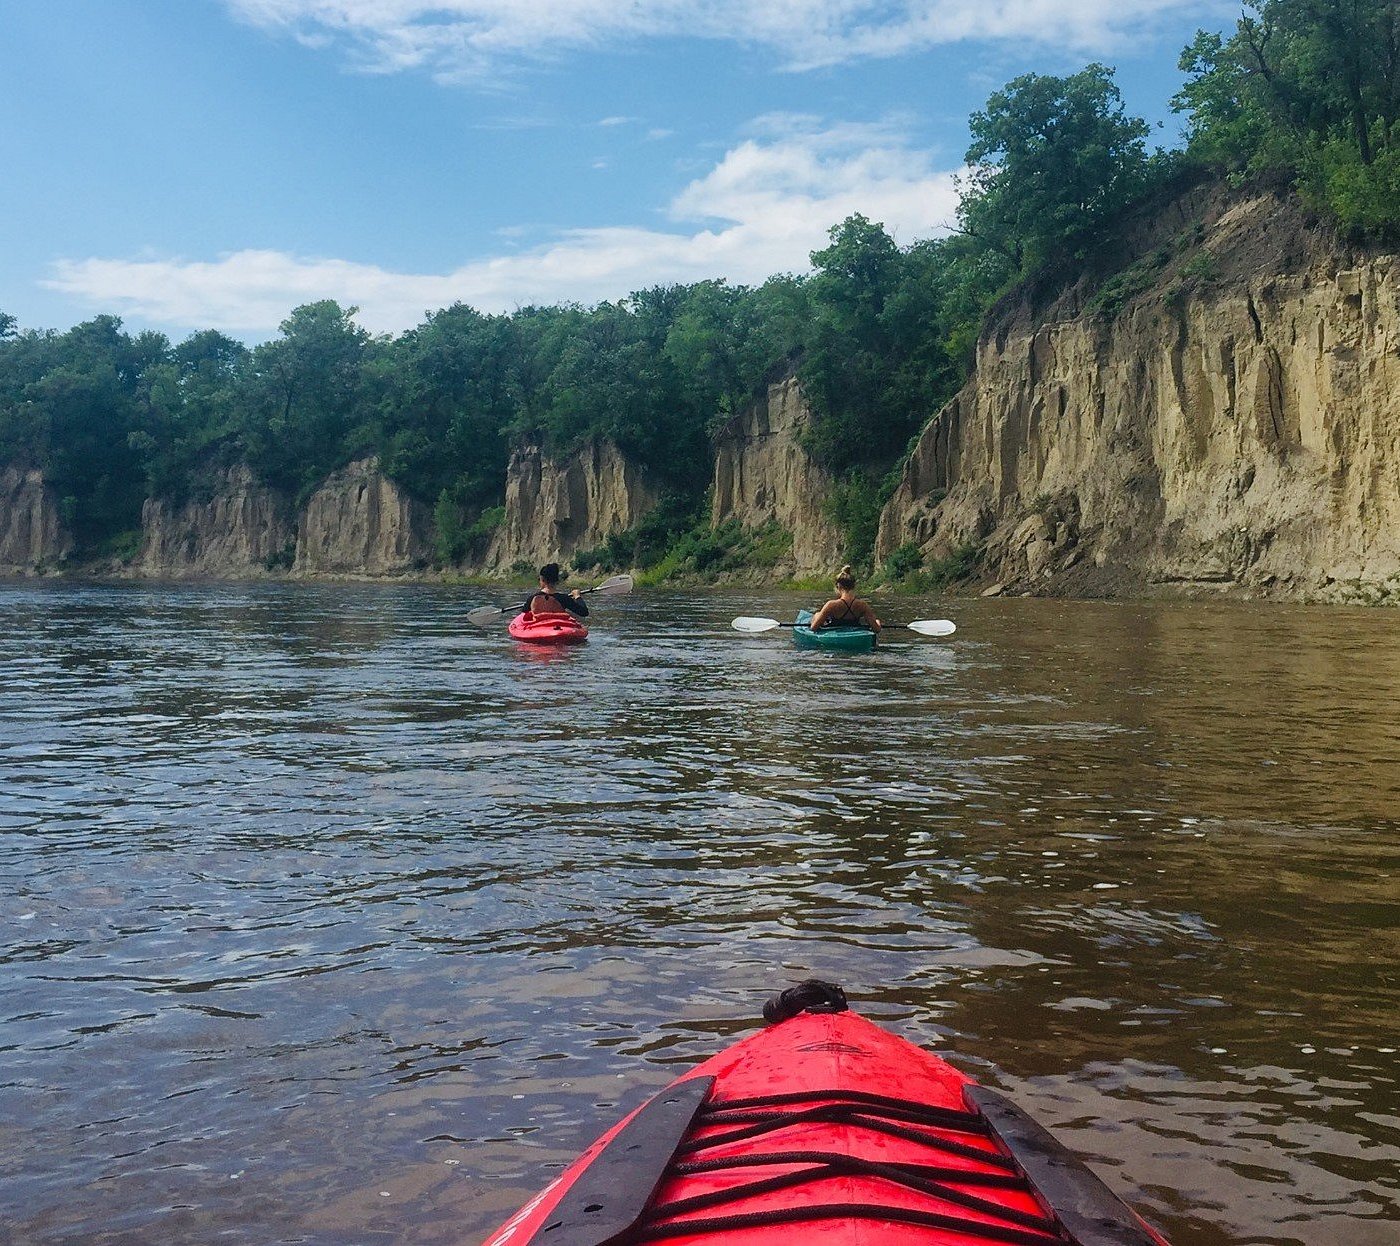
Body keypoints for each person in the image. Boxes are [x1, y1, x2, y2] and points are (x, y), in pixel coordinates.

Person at [807, 565, 880, 635]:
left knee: (817, 614)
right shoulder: (862, 605)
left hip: (835, 636)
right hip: (854, 635)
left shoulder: (831, 605)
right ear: (853, 586)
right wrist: (877, 622)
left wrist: (816, 616)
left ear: (838, 586)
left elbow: (814, 627)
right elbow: (876, 629)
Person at [521, 562, 589, 618]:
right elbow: (584, 612)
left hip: (539, 627)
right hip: (558, 627)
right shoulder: (564, 598)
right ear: (557, 581)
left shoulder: (532, 598)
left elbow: (523, 615)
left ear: (542, 579)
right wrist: (577, 596)